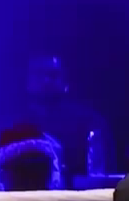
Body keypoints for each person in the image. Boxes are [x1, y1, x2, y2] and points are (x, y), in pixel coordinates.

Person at [23, 54, 109, 182]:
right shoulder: (13, 125)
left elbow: (101, 174)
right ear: (28, 82)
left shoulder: (90, 122)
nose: (46, 80)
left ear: (66, 82)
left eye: (53, 75)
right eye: (39, 74)